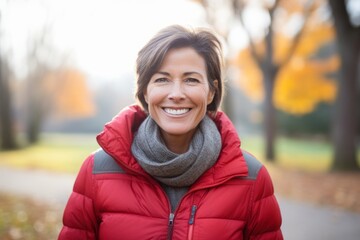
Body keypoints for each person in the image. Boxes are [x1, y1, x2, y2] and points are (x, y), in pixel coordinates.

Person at [58, 24, 283, 240]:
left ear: (211, 92)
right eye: (162, 79)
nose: (176, 94)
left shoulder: (251, 177)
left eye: (191, 80)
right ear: (145, 91)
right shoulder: (97, 170)